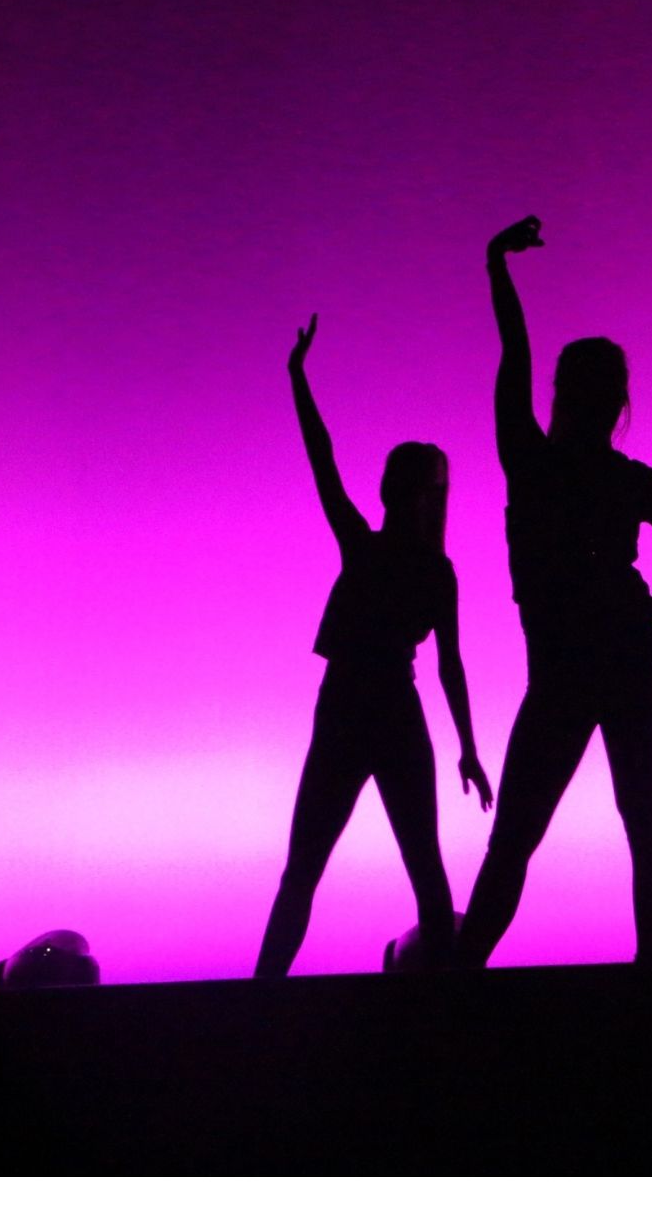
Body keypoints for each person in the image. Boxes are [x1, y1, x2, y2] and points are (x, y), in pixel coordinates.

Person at [458, 217, 652, 968]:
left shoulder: (531, 462)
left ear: (564, 395)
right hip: (631, 656)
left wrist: (495, 263)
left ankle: (461, 970)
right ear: (616, 403)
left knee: (519, 835)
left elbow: (513, 353)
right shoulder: (633, 480)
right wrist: (647, 609)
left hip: (576, 667)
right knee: (642, 817)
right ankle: (648, 973)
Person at [257, 314, 493, 977]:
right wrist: (298, 379)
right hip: (374, 707)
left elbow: (451, 665)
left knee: (332, 866)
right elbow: (323, 460)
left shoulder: (391, 557)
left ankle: (261, 992)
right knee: (364, 865)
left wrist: (471, 748)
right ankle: (263, 989)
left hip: (365, 706)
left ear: (405, 493)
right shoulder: (415, 563)